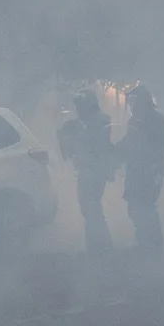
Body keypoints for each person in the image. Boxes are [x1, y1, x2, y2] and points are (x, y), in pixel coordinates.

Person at [58, 89, 117, 254]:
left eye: (80, 106)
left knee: (91, 209)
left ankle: (101, 248)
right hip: (89, 171)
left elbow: (94, 147)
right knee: (90, 209)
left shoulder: (96, 122)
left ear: (88, 105)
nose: (78, 109)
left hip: (92, 172)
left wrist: (73, 133)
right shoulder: (90, 121)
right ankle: (98, 247)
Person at [116, 85, 164, 254]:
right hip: (135, 170)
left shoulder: (155, 120)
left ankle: (153, 243)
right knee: (135, 208)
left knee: (146, 206)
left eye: (134, 101)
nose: (131, 105)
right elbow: (128, 142)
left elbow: (150, 145)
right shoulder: (135, 120)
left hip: (150, 170)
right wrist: (115, 151)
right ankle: (144, 241)